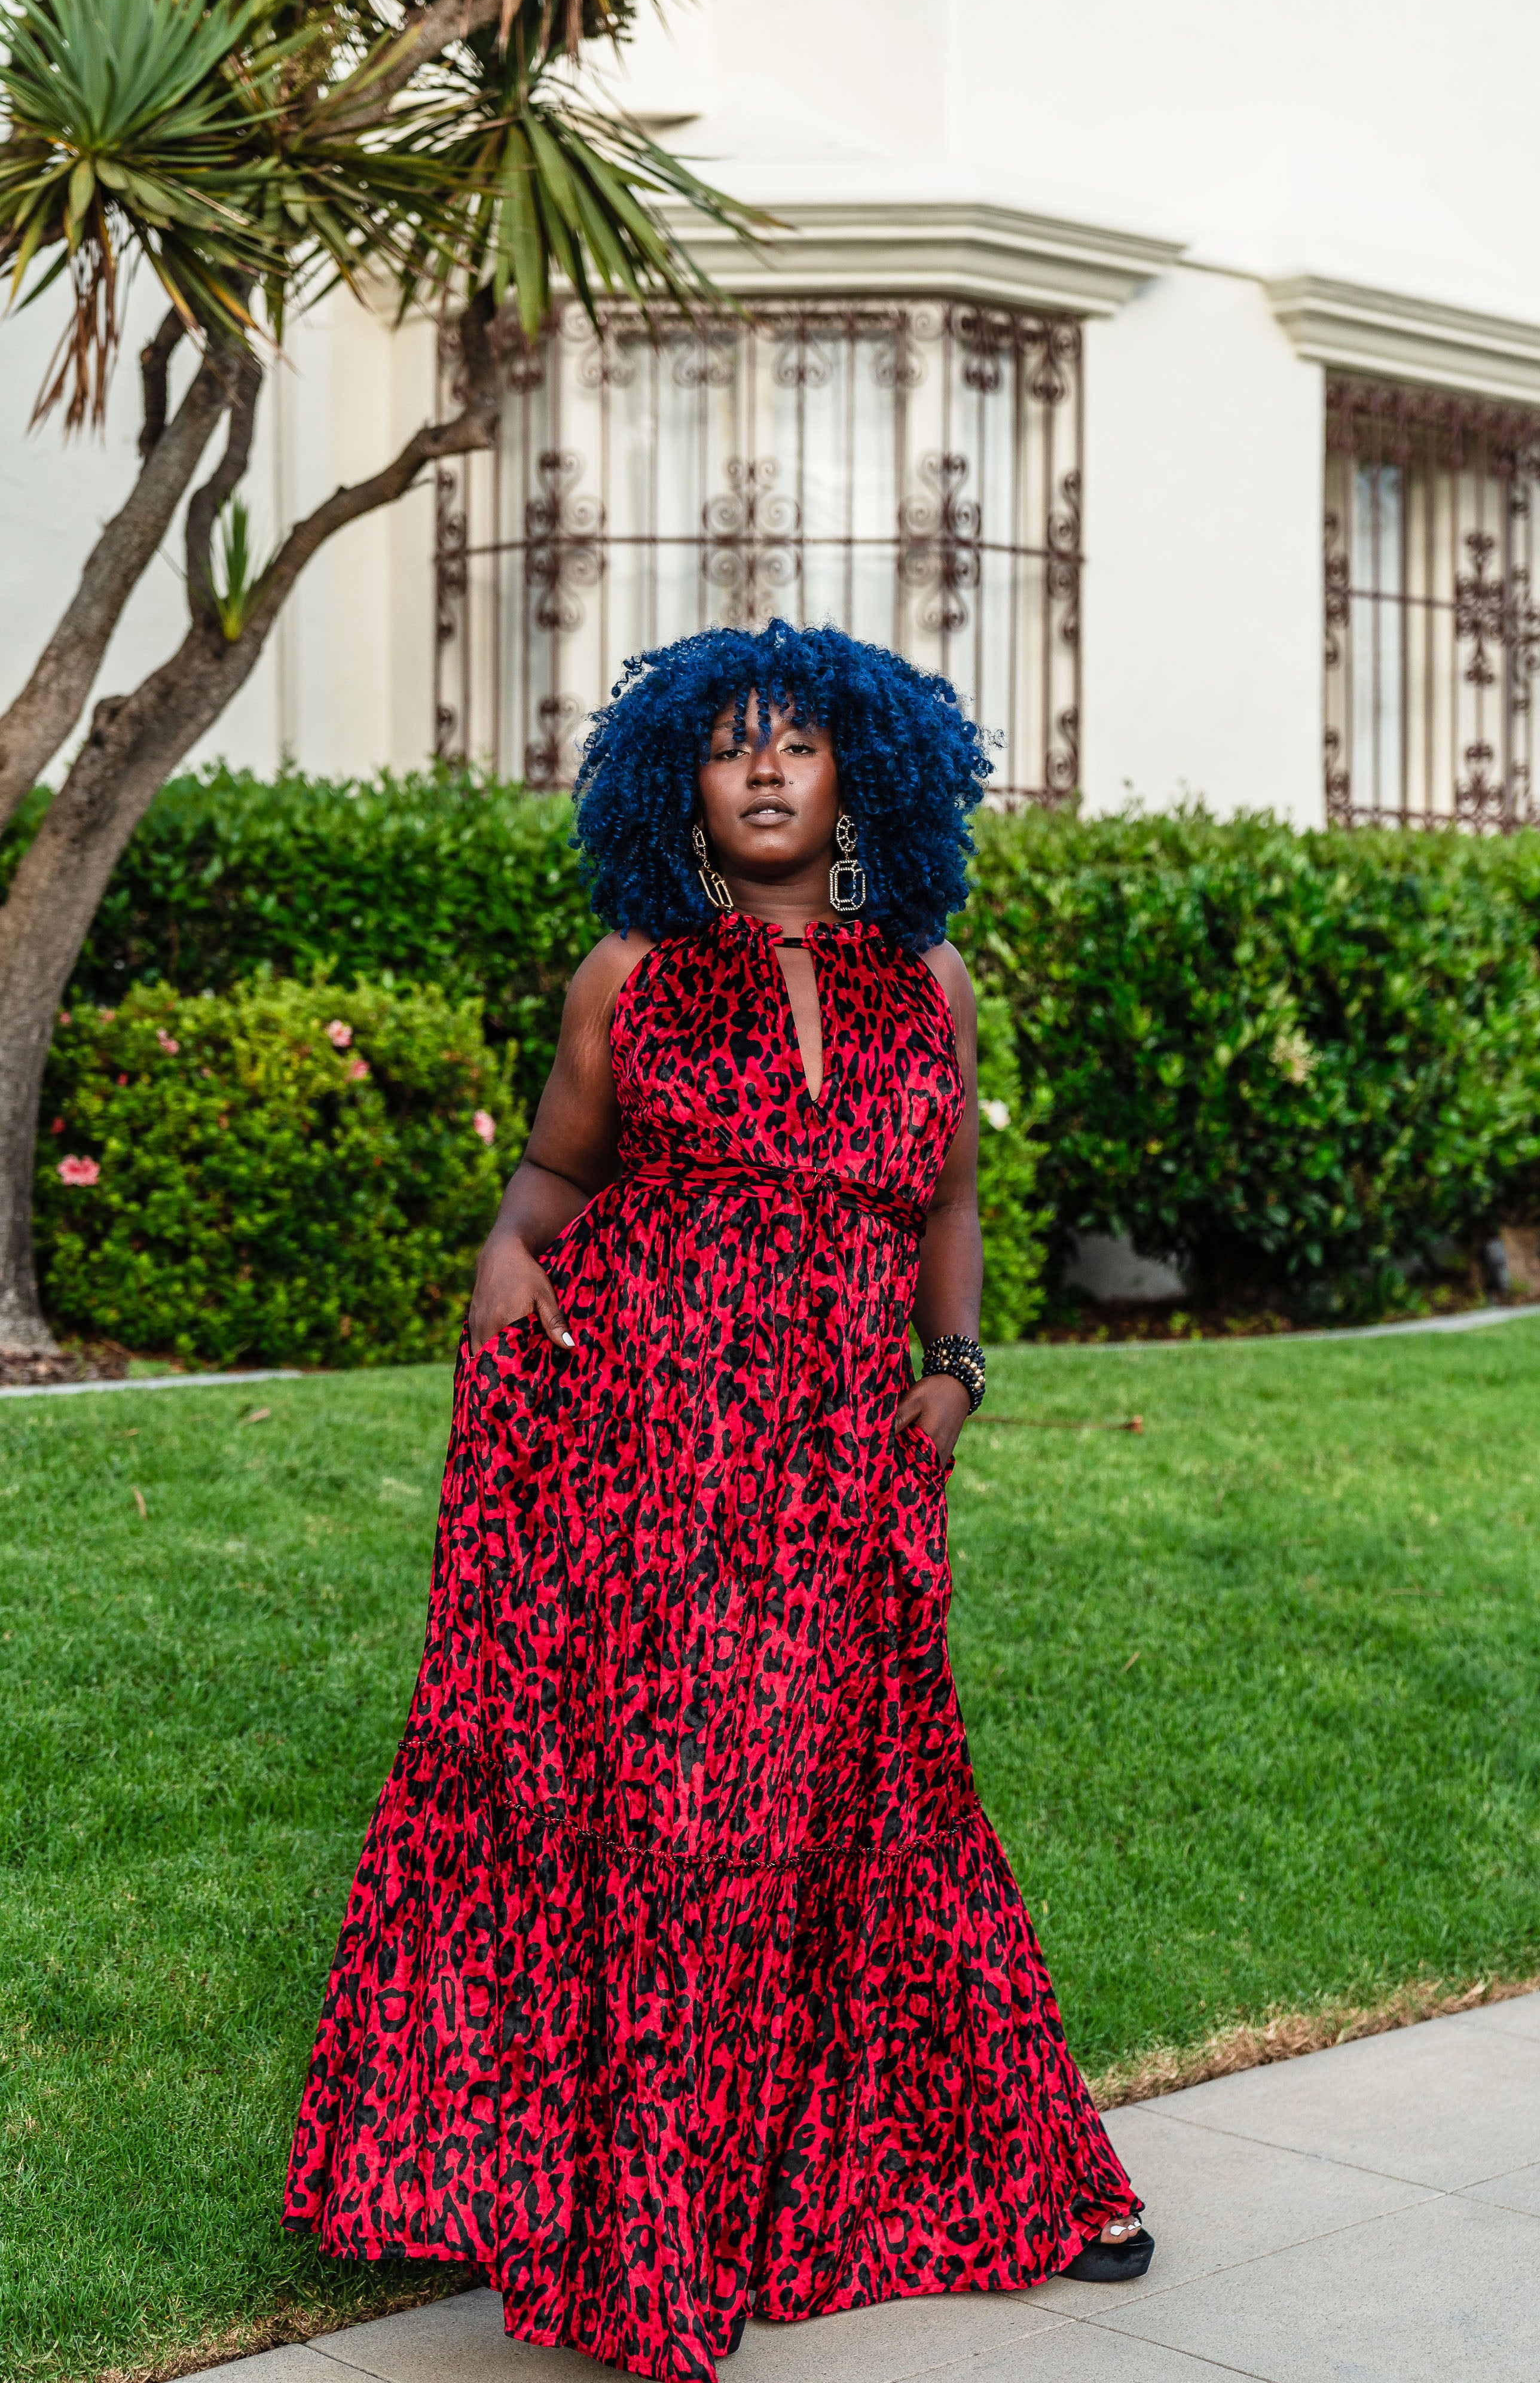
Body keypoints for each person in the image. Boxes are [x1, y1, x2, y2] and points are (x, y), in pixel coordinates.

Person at [283, 621, 1151, 2381]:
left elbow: (949, 1204)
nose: (761, 770)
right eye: (727, 746)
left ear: (862, 775)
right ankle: (657, 2242)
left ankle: (991, 2170)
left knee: (881, 1799)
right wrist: (505, 1276)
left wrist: (955, 1370)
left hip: (843, 1464)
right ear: (675, 779)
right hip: (645, 1455)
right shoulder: (632, 973)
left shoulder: (935, 982)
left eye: (798, 744)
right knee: (688, 1819)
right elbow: (551, 1174)